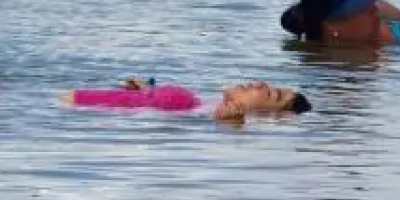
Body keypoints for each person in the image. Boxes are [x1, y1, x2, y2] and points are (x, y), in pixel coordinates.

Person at [62, 76, 312, 124]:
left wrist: (233, 120)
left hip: (73, 107)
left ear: (268, 114)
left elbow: (228, 124)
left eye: (270, 94)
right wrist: (148, 88)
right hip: (75, 102)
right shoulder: (201, 102)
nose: (260, 83)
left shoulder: (228, 114)